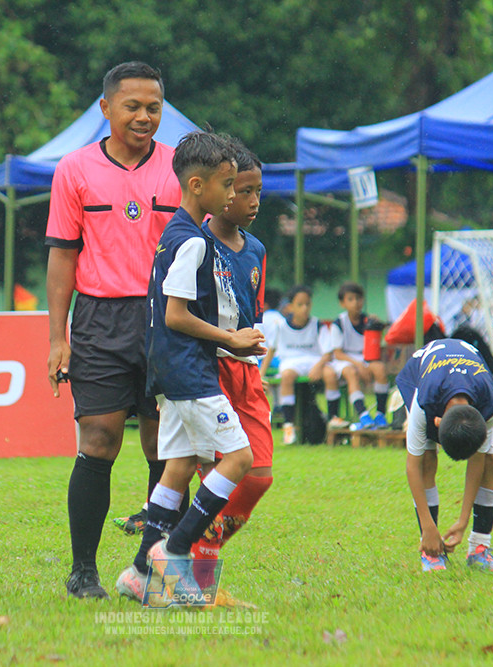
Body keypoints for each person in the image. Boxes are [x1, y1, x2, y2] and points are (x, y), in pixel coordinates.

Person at [44, 61, 182, 599]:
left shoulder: (182, 167)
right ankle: (83, 572)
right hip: (100, 321)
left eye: (154, 107)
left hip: (168, 318)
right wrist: (59, 337)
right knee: (98, 440)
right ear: (106, 109)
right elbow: (62, 256)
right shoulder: (74, 169)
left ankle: (150, 567)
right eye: (133, 106)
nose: (145, 117)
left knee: (163, 445)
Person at [114, 131, 264, 604]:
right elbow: (177, 314)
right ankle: (174, 549)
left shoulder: (174, 233)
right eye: (227, 185)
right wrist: (232, 340)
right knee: (239, 460)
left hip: (166, 369)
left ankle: (139, 573)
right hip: (188, 371)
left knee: (176, 469)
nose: (232, 195)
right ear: (198, 186)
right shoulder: (194, 241)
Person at [186, 139, 272, 606]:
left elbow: (249, 313)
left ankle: (201, 547)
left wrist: (254, 337)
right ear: (220, 190)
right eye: (244, 191)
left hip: (246, 373)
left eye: (259, 191)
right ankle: (195, 574)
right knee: (211, 472)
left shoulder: (255, 248)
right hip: (206, 370)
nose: (253, 201)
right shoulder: (194, 241)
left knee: (258, 475)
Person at [397, 338, 493, 573]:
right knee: (427, 459)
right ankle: (431, 551)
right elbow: (412, 466)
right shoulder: (424, 402)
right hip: (421, 372)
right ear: (436, 422)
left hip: (472, 379)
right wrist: (427, 526)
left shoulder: (490, 404)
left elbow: (477, 460)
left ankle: (480, 549)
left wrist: (463, 520)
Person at [258, 285, 339, 445]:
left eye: (307, 304)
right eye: (300, 304)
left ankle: (333, 420)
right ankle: (289, 426)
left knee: (330, 374)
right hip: (291, 362)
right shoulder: (280, 326)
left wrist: (319, 366)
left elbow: (327, 353)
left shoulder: (318, 324)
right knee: (287, 376)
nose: (305, 308)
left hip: (315, 361)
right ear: (290, 307)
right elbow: (271, 351)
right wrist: (260, 374)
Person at [325, 281, 391, 430]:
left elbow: (374, 346)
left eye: (358, 298)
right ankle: (363, 414)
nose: (355, 303)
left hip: (364, 359)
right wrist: (358, 364)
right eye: (350, 299)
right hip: (345, 360)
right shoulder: (339, 323)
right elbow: (338, 353)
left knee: (380, 368)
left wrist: (377, 325)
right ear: (342, 303)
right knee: (351, 372)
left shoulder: (368, 321)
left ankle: (381, 414)